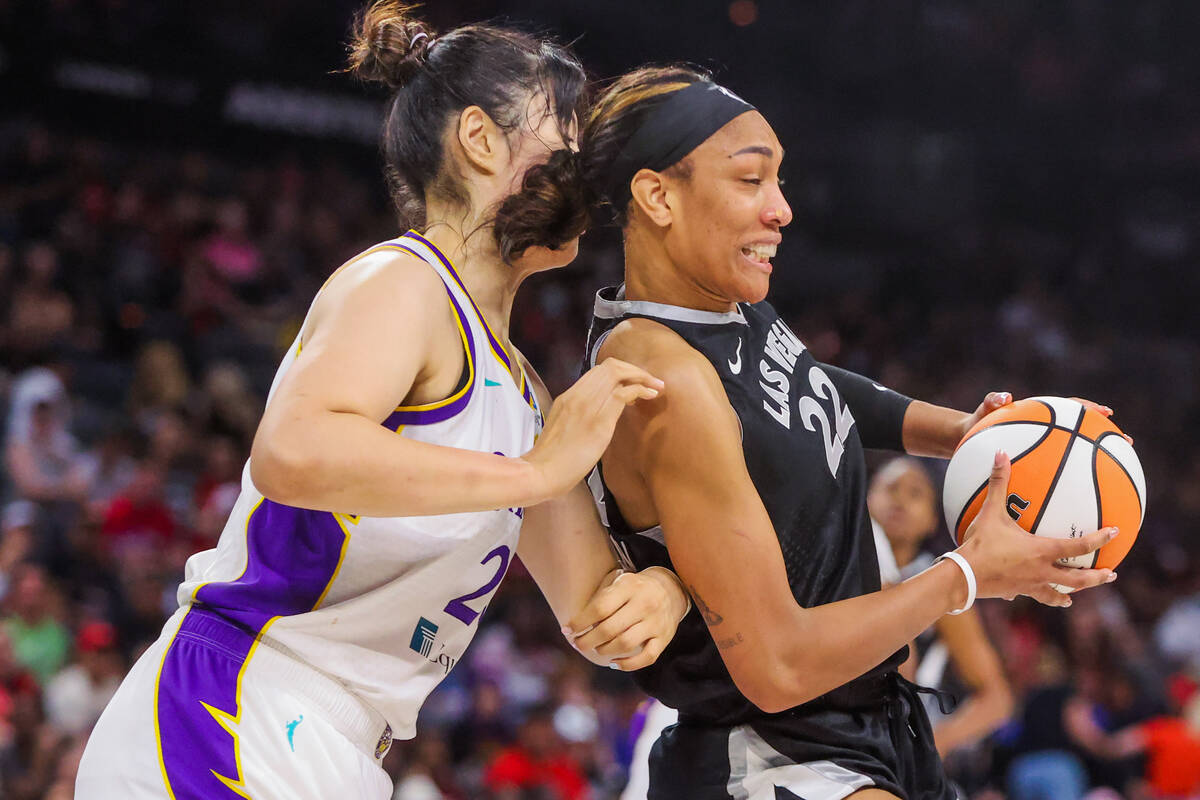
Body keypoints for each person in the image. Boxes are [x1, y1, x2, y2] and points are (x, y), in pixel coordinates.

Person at [75, 8, 689, 798]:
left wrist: (662, 592)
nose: (584, 157)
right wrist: (535, 474)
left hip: (339, 746)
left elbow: (594, 615)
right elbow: (294, 454)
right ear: (480, 139)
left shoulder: (528, 393)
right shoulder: (404, 281)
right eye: (565, 126)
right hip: (232, 706)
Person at [575, 66, 1120, 800]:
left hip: (866, 726)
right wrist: (965, 575)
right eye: (750, 181)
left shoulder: (721, 311)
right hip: (772, 749)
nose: (783, 210)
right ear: (657, 195)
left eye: (780, 181)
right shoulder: (662, 377)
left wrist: (961, 430)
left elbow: (812, 387)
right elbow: (776, 667)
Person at [867, 458, 1014, 757]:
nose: (900, 499)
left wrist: (936, 744)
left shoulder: (941, 581)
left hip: (897, 743)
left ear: (933, 519)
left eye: (916, 493)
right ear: (866, 498)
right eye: (891, 488)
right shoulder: (840, 567)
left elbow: (997, 698)